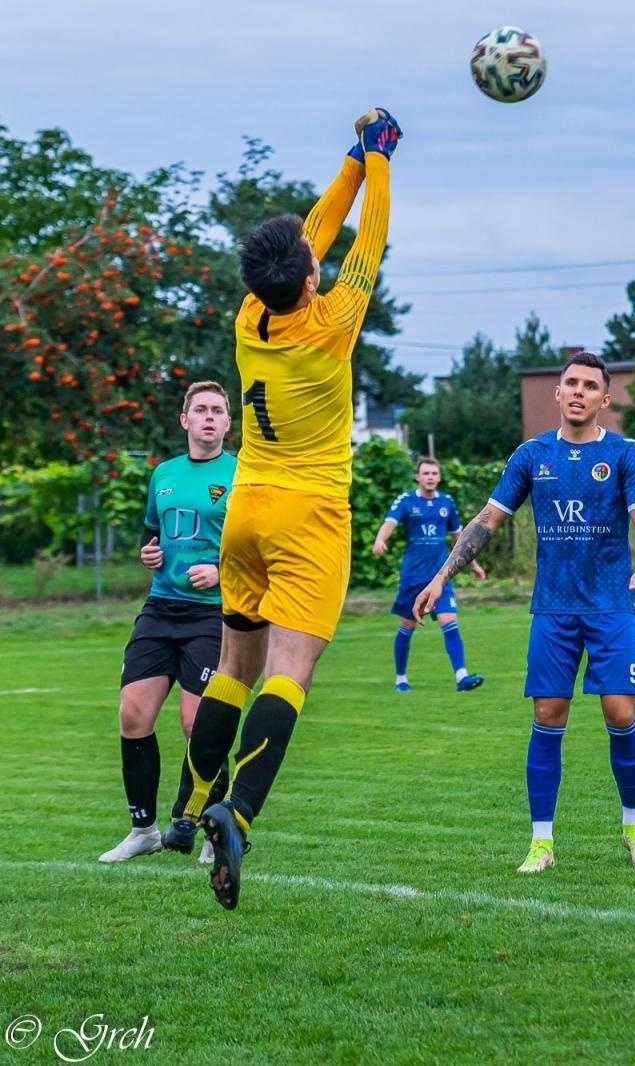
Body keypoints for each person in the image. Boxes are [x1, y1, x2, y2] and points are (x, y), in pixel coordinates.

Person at [171, 108, 402, 909]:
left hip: (245, 514)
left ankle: (186, 808)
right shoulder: (331, 324)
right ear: (310, 281)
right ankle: (237, 810)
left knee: (233, 666)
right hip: (308, 516)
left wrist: (355, 158)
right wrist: (381, 162)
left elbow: (315, 235)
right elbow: (364, 242)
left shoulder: (249, 315)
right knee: (288, 672)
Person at [414, 351, 635, 873]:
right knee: (548, 716)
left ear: (604, 398)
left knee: (621, 712)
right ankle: (541, 843)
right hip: (553, 610)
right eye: (570, 383)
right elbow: (486, 521)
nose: (578, 392)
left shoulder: (624, 453)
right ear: (557, 393)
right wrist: (439, 577)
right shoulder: (531, 455)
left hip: (611, 605)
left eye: (589, 386)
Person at [98, 382, 237, 866]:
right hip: (160, 609)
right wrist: (147, 552)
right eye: (199, 409)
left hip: (213, 615)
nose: (208, 417)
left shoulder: (243, 474)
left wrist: (221, 570)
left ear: (227, 424)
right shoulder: (164, 474)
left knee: (199, 722)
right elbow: (151, 534)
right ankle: (143, 830)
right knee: (133, 714)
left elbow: (258, 549)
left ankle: (209, 828)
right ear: (184, 420)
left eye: (217, 411)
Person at [372, 456, 486, 693]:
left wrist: (473, 564)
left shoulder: (446, 502)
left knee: (450, 622)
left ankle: (462, 676)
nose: (430, 477)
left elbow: (460, 538)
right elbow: (390, 522)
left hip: (440, 577)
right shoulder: (406, 500)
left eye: (434, 473)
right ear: (418, 477)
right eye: (426, 473)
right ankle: (401, 678)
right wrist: (380, 539)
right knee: (407, 627)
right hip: (413, 577)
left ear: (439, 477)